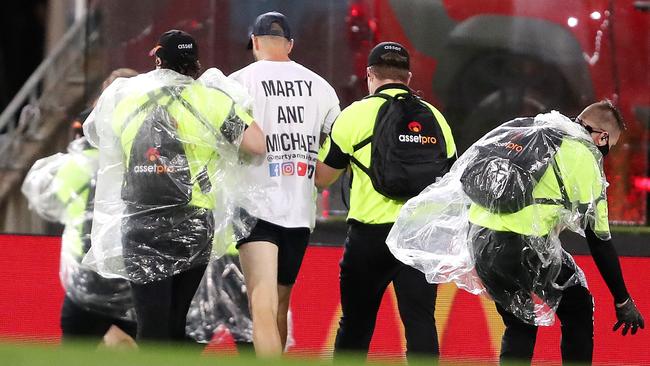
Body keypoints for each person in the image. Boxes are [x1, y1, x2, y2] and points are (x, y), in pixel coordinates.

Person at [387, 101, 644, 364]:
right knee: (577, 306)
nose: (605, 154)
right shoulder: (584, 155)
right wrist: (622, 301)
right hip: (522, 247)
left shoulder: (531, 129)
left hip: (479, 240)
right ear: (602, 137)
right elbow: (599, 241)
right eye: (609, 147)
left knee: (520, 322)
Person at [83, 29, 265, 343]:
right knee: (176, 320)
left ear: (158, 60)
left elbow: (101, 137)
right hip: (195, 221)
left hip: (141, 220)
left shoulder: (128, 98)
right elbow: (257, 145)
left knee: (150, 323)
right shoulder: (212, 100)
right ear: (195, 63)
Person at [315, 41, 457, 360]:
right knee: (420, 324)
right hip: (418, 235)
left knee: (355, 325)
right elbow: (451, 181)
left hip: (369, 237)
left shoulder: (354, 115)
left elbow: (322, 178)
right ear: (407, 76)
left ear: (369, 74)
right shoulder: (435, 117)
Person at [229, 11, 341, 357]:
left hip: (255, 206)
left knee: (260, 307)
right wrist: (320, 178)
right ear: (290, 44)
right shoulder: (321, 86)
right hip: (299, 210)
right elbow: (343, 143)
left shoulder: (238, 82)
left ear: (254, 42)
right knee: (279, 304)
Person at [22, 69, 139, 347]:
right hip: (135, 278)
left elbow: (44, 195)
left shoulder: (76, 165)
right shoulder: (152, 157)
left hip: (88, 277)